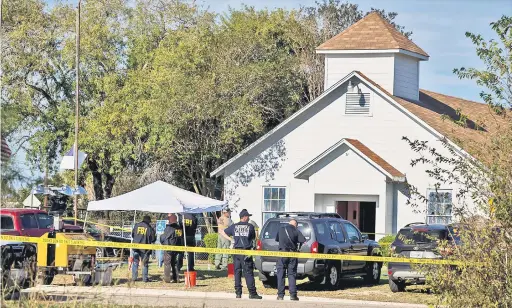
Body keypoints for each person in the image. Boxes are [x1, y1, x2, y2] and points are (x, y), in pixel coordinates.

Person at [220, 209, 262, 300]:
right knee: (248, 273)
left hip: (236, 252)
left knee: (237, 272)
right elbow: (253, 238)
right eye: (248, 216)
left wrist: (231, 240)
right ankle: (252, 293)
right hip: (246, 252)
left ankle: (238, 293)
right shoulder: (250, 226)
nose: (249, 218)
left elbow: (222, 232)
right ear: (245, 217)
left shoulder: (234, 226)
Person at [275, 219, 306, 301]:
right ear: (295, 225)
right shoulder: (296, 230)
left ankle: (280, 295)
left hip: (282, 254)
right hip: (292, 254)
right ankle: (293, 295)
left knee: (280, 274)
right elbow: (303, 240)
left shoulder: (281, 229)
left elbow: (277, 239)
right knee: (291, 274)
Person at [131, 215, 156, 282]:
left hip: (135, 246)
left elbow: (132, 235)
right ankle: (145, 279)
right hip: (145, 248)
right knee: (144, 264)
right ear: (148, 220)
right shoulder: (149, 227)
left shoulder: (136, 225)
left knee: (135, 262)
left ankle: (134, 278)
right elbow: (153, 239)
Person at [160, 214, 183, 283]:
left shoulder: (169, 228)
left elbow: (163, 238)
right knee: (174, 263)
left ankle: (167, 279)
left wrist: (162, 241)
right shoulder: (179, 228)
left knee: (167, 263)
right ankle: (176, 278)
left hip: (168, 248)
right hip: (176, 248)